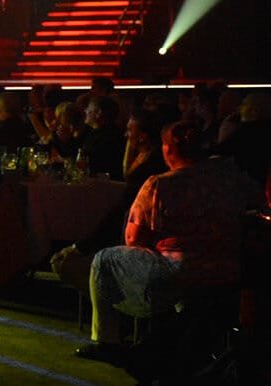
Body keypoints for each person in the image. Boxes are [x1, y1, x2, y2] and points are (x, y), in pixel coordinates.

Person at [75, 121, 262, 359]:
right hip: (230, 266)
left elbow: (133, 238)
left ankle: (107, 341)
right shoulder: (231, 177)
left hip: (179, 270)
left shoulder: (160, 184)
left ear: (168, 149)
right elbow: (259, 208)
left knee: (104, 259)